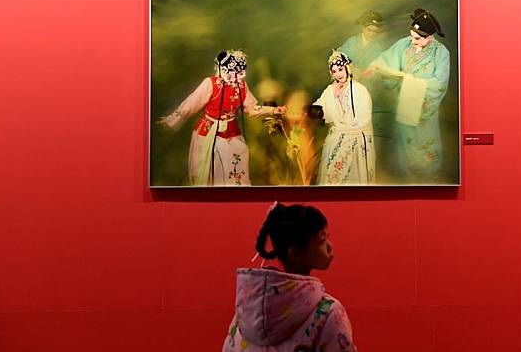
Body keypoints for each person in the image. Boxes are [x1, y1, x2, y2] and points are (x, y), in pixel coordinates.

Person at [222, 202, 357, 352]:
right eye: (321, 240)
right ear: (295, 254)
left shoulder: (246, 312)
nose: (330, 246)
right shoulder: (328, 313)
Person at [158, 50, 285, 186]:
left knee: (238, 155)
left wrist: (273, 110)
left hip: (231, 133)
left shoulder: (242, 86)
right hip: (208, 133)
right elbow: (190, 104)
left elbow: (251, 108)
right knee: (208, 167)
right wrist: (171, 120)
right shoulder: (210, 84)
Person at [369, 8, 450, 182]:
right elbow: (386, 59)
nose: (412, 41)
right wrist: (375, 66)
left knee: (425, 139)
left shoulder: (441, 53)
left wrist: (411, 82)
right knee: (405, 138)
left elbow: (440, 84)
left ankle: (428, 174)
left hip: (424, 107)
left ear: (429, 37)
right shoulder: (405, 44)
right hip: (404, 101)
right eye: (411, 35)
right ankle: (407, 175)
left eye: (417, 38)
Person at [311, 50, 375, 185]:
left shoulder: (359, 90)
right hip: (336, 135)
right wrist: (316, 111)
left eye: (340, 69)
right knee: (332, 172)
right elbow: (320, 104)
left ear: (347, 68)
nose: (338, 74)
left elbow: (365, 118)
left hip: (355, 135)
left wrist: (347, 130)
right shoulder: (330, 90)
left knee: (345, 172)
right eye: (334, 72)